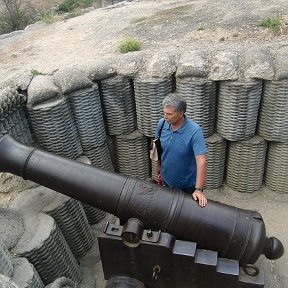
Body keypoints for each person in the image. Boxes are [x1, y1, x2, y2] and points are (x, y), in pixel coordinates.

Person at [155, 93, 208, 207]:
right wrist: (158, 166)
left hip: (187, 186)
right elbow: (158, 147)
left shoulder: (194, 131)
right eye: (164, 112)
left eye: (169, 114)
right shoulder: (162, 124)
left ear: (181, 113)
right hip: (166, 181)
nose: (165, 116)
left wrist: (198, 190)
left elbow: (201, 161)